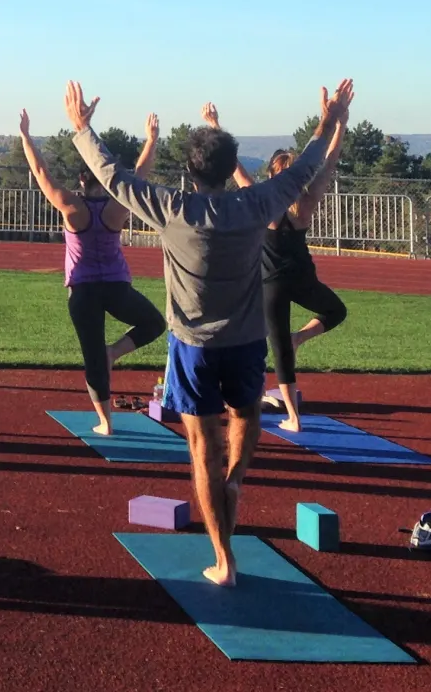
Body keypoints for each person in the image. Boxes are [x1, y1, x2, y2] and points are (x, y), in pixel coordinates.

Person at [66, 78, 352, 587]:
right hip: (244, 345)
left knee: (201, 451)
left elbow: (113, 178)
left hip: (194, 349)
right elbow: (308, 167)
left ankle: (225, 560)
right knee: (245, 417)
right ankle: (237, 478)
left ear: (191, 170)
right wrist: (329, 120)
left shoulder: (173, 209)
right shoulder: (256, 205)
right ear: (227, 168)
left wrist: (82, 128)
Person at [16, 108, 167, 435]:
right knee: (155, 322)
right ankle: (114, 353)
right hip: (116, 288)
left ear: (81, 181)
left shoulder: (72, 207)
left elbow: (41, 172)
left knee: (93, 354)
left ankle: (105, 422)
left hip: (83, 292)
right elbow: (139, 174)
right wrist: (151, 140)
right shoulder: (118, 207)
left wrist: (27, 136)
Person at [208, 103, 349, 434]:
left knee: (281, 349)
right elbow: (328, 163)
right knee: (334, 312)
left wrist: (215, 126)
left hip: (271, 284)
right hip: (301, 278)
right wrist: (339, 125)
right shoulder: (307, 200)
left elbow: (235, 170)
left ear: (272, 175)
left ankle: (293, 417)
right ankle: (295, 351)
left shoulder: (263, 201)